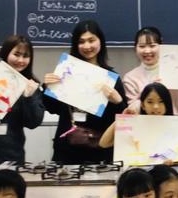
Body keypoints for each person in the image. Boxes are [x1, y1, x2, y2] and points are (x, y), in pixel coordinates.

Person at [42, 20, 127, 164]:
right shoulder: (66, 72)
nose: (87, 46)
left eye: (91, 40)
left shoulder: (111, 78)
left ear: (100, 41)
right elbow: (53, 108)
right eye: (81, 42)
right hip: (66, 151)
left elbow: (122, 120)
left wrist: (118, 102)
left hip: (99, 151)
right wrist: (47, 88)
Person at [0, 35, 45, 165]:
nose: (20, 60)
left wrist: (28, 97)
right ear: (6, 53)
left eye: (25, 56)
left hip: (13, 154)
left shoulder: (30, 85)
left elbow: (33, 123)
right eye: (16, 54)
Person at [98, 82, 176, 151]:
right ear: (143, 105)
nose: (156, 106)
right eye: (150, 102)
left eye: (161, 101)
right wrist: (122, 118)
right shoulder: (134, 124)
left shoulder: (176, 125)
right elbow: (104, 143)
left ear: (167, 104)